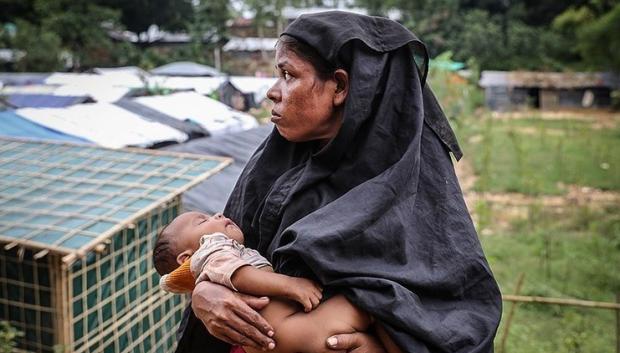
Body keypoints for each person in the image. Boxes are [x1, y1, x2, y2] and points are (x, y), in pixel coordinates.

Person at [176, 11, 502, 353]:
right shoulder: (272, 167)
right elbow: (224, 250)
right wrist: (206, 291)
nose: (273, 92)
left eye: (288, 75)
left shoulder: (415, 192)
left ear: (341, 86)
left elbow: (455, 320)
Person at [153, 211, 403, 353]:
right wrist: (291, 285)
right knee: (374, 302)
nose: (218, 214)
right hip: (290, 330)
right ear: (186, 257)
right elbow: (240, 274)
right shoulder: (211, 251)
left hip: (279, 338)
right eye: (203, 221)